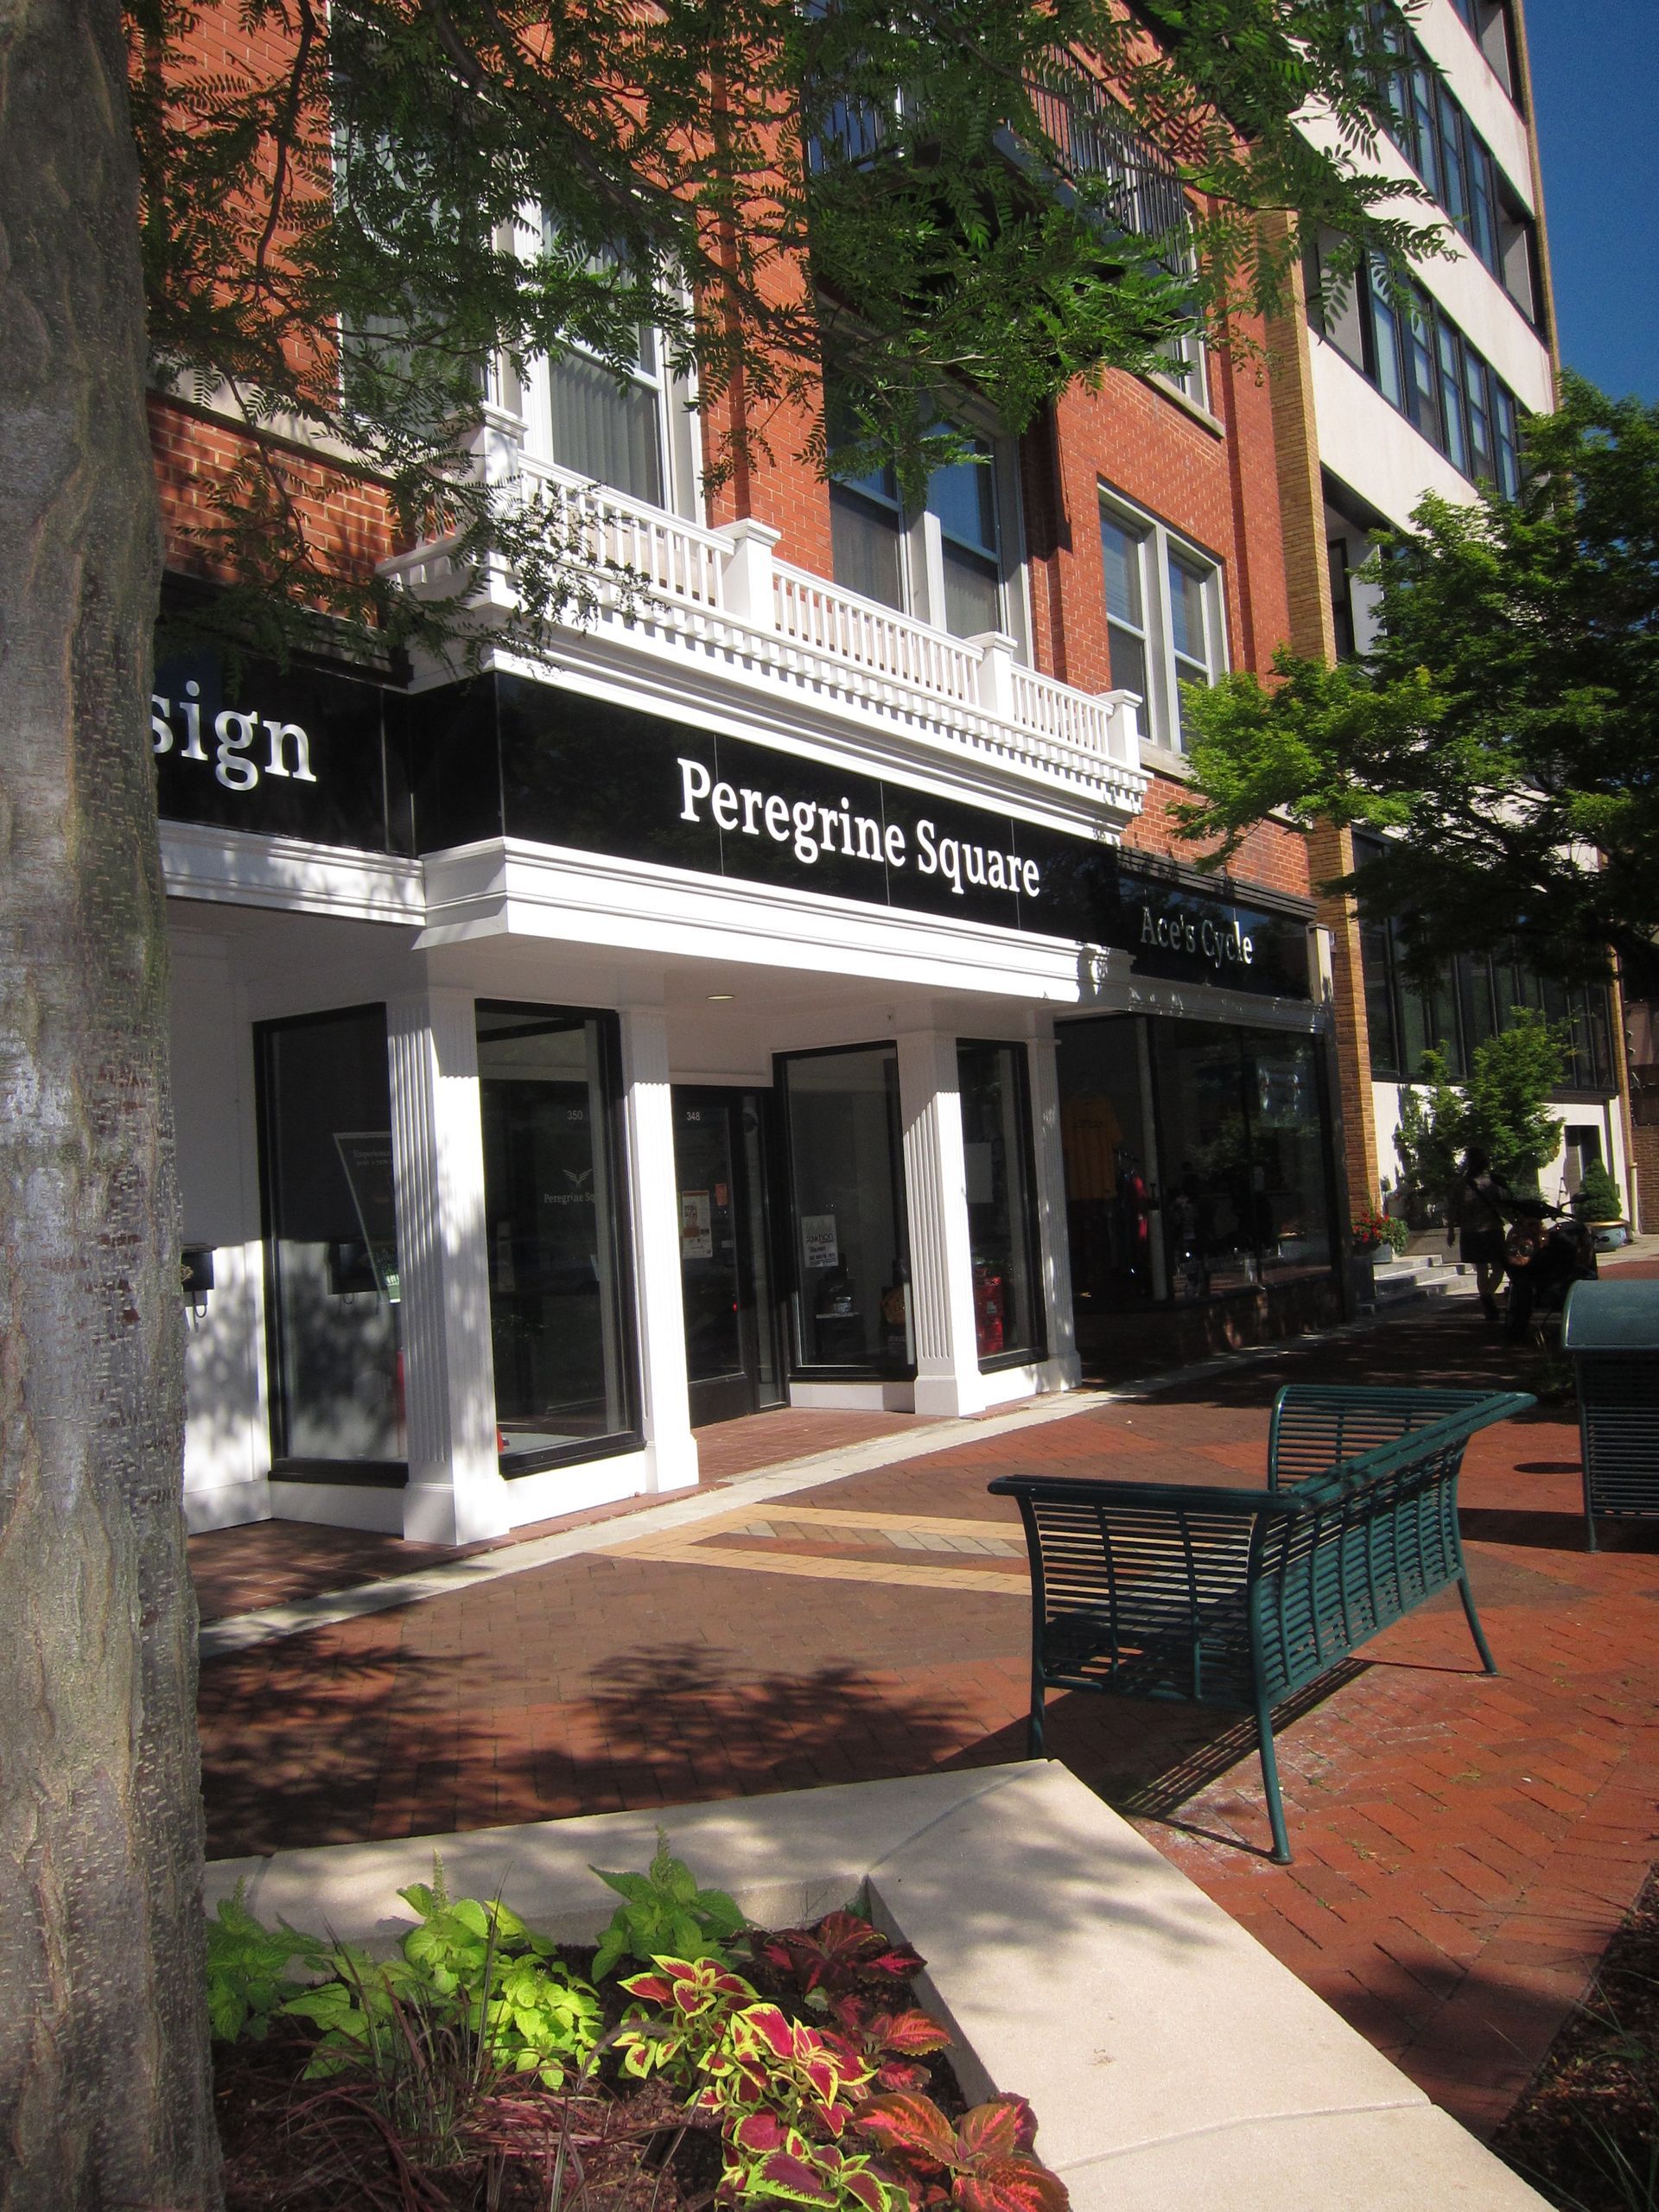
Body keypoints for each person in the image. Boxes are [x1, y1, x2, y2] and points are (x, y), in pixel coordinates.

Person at [1446, 1147, 1512, 1324]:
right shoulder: (1491, 1183)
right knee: (1498, 1268)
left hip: (1471, 1232)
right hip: (1491, 1230)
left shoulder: (1461, 1184)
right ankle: (1488, 1297)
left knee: (1481, 1270)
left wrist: (1451, 1230)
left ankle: (1486, 1300)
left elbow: (1453, 1209)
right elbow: (1505, 1204)